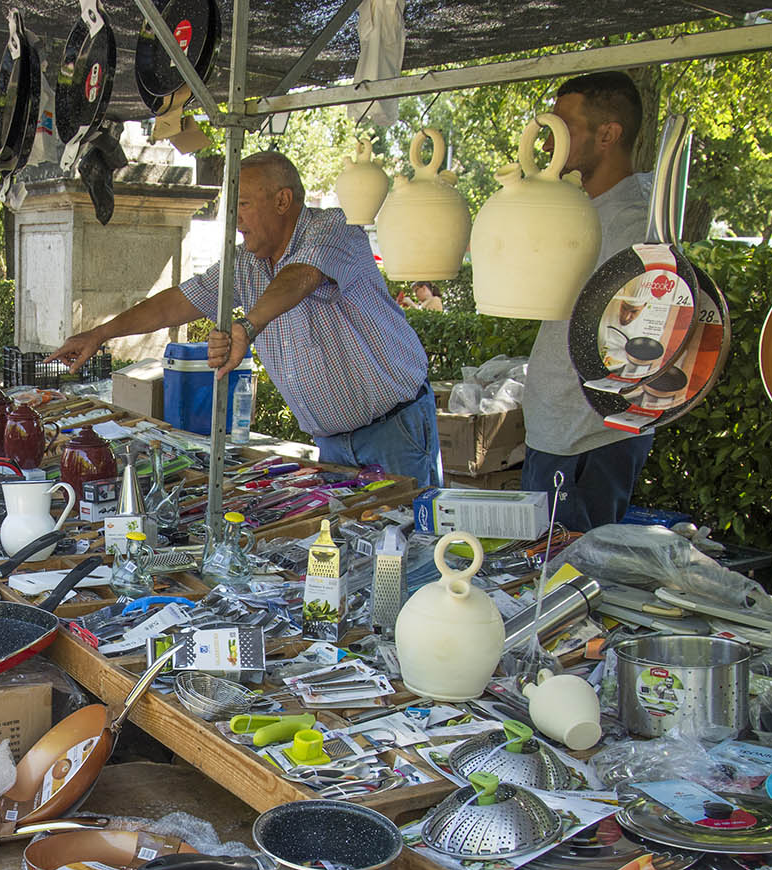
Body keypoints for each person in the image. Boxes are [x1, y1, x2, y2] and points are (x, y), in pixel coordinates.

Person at [47, 150, 438, 486]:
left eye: (244, 204)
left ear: (283, 201)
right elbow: (178, 302)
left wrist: (248, 326)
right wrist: (101, 334)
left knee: (415, 547)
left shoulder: (332, 228)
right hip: (333, 442)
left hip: (394, 429)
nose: (235, 218)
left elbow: (302, 276)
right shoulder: (247, 261)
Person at [519, 71, 656, 532]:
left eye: (565, 126)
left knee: (568, 581)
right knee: (542, 572)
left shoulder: (633, 223)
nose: (551, 140)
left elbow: (636, 336)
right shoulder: (581, 208)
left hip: (588, 440)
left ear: (608, 134)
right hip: (560, 431)